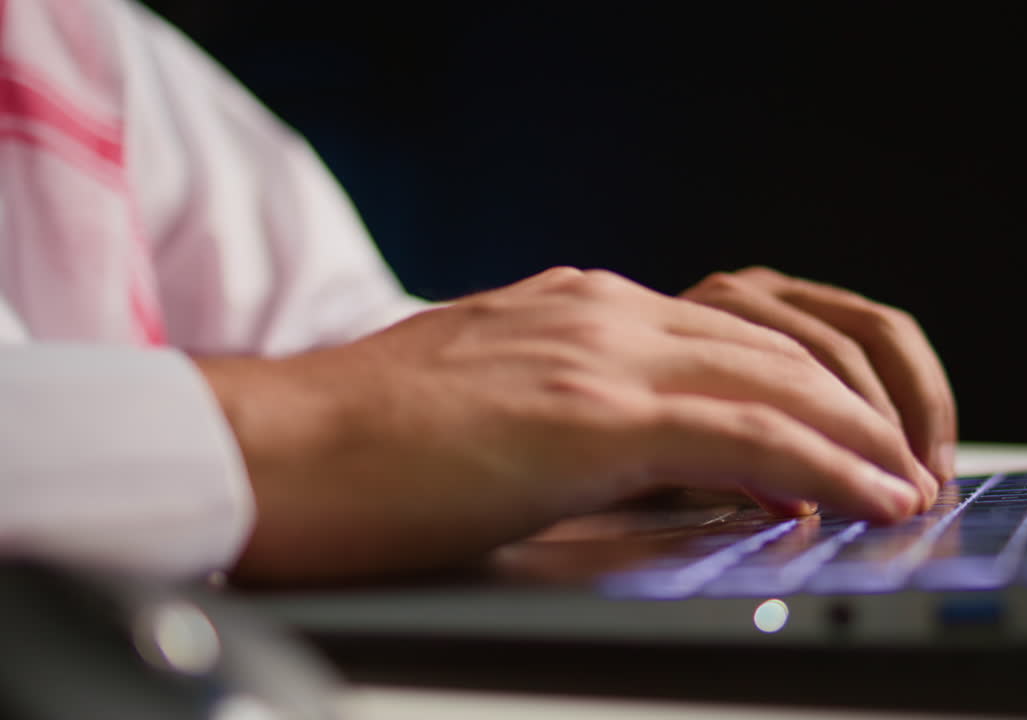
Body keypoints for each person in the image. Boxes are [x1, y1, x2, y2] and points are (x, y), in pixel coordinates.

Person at [0, 0, 956, 584]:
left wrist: (644, 390)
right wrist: (312, 429)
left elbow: (332, 339)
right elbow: (332, 404)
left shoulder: (74, 33)